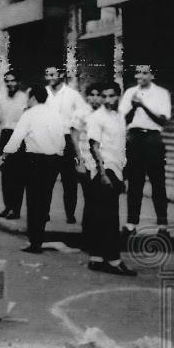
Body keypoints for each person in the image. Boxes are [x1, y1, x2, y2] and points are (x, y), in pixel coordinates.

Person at [0, 85, 66, 253]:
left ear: (34, 98)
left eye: (29, 97)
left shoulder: (28, 114)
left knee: (33, 201)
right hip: (53, 160)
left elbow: (16, 139)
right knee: (45, 200)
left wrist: (3, 158)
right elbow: (62, 140)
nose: (27, 101)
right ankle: (39, 238)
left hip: (34, 160)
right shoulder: (56, 115)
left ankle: (34, 242)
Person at [83, 82, 136, 276]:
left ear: (119, 96)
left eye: (111, 96)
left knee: (102, 216)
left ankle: (96, 258)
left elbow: (121, 145)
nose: (107, 100)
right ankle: (113, 260)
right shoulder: (96, 118)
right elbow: (93, 146)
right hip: (104, 171)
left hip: (117, 168)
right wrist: (103, 174)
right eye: (104, 96)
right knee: (110, 218)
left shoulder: (119, 117)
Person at [120, 64, 172, 237]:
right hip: (134, 137)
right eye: (137, 72)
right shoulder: (129, 93)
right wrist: (134, 106)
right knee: (135, 182)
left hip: (153, 138)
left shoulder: (161, 93)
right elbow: (123, 119)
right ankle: (131, 223)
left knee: (158, 182)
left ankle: (163, 225)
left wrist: (143, 105)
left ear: (152, 75)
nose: (140, 76)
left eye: (144, 73)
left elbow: (162, 121)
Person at [44, 66, 90, 224]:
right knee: (46, 180)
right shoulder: (44, 94)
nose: (49, 78)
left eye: (52, 74)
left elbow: (84, 112)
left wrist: (73, 126)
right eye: (47, 75)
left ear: (61, 75)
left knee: (69, 181)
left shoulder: (72, 95)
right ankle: (44, 212)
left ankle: (70, 214)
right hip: (49, 140)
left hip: (67, 140)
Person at [0, 71, 28, 218]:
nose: (10, 84)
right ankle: (7, 207)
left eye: (13, 81)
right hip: (5, 135)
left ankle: (16, 209)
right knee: (6, 174)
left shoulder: (24, 98)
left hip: (20, 137)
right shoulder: (0, 99)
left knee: (18, 175)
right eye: (7, 81)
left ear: (18, 82)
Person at [75, 84, 105, 241]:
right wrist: (79, 160)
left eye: (98, 94)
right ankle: (87, 237)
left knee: (99, 201)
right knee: (91, 199)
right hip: (86, 162)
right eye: (91, 95)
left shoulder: (104, 113)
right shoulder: (81, 113)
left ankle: (96, 238)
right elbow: (74, 137)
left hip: (101, 164)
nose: (95, 98)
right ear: (86, 97)